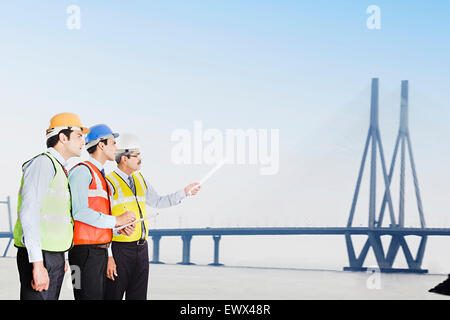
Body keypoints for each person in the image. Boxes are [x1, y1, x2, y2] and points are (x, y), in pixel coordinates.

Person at [105, 133, 200, 300]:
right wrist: (109, 256)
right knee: (113, 295)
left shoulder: (140, 179)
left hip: (141, 249)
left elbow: (159, 201)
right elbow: (102, 221)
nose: (140, 159)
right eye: (136, 155)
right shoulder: (109, 182)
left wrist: (184, 193)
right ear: (124, 159)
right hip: (119, 250)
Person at [13, 112, 88, 300]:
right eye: (79, 135)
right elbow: (29, 213)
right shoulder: (43, 163)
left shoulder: (59, 168)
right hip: (41, 257)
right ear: (63, 137)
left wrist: (59, 256)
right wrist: (38, 263)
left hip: (52, 256)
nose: (83, 142)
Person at [68, 124, 136, 300]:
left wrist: (117, 228)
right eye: (113, 143)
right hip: (83, 254)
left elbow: (98, 216)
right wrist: (116, 220)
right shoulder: (82, 172)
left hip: (99, 253)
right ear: (101, 145)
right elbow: (80, 212)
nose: (116, 148)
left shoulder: (101, 177)